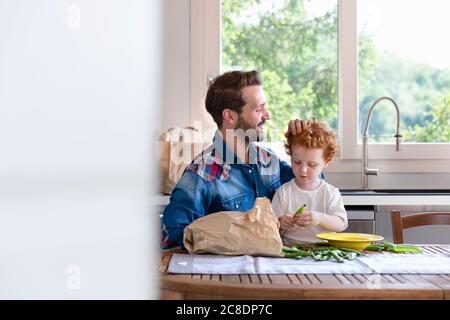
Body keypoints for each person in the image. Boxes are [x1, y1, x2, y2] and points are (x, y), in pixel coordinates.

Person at [161, 70, 317, 249]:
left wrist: (303, 146)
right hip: (226, 274)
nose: (267, 115)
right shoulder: (202, 173)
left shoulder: (268, 161)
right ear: (230, 116)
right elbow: (172, 237)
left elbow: (313, 192)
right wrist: (228, 235)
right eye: (258, 109)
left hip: (273, 270)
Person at [271, 119, 348, 244]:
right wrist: (279, 222)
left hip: (322, 250)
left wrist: (319, 218)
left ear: (326, 162)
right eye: (297, 162)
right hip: (289, 251)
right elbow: (269, 228)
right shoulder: (283, 192)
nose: (303, 170)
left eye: (312, 164)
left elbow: (341, 223)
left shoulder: (330, 192)